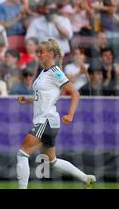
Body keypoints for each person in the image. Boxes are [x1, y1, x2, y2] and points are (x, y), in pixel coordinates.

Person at [16, 38, 96, 189]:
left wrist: (70, 115)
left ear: (51, 54)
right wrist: (28, 100)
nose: (38, 54)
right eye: (37, 51)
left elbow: (75, 93)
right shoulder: (43, 72)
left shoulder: (55, 72)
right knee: (51, 161)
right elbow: (44, 97)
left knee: (22, 154)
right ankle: (86, 178)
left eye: (41, 52)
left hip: (45, 120)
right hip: (48, 122)